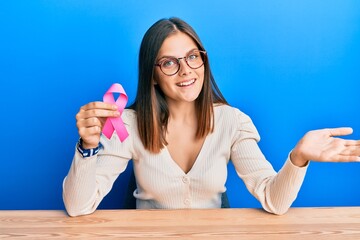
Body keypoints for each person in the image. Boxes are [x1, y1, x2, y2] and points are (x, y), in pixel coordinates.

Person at [63, 17, 360, 217]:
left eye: (193, 57)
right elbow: (78, 207)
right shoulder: (128, 124)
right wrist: (88, 146)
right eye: (169, 62)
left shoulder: (232, 122)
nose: (186, 70)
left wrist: (298, 157)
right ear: (151, 75)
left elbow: (274, 200)